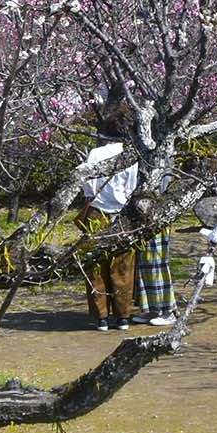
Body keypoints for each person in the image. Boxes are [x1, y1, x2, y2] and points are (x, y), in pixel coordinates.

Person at [74, 127, 140, 331]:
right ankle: (123, 317)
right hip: (122, 213)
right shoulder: (130, 155)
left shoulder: (95, 153)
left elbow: (84, 179)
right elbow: (133, 184)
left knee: (95, 264)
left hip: (96, 212)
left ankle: (101, 317)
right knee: (123, 266)